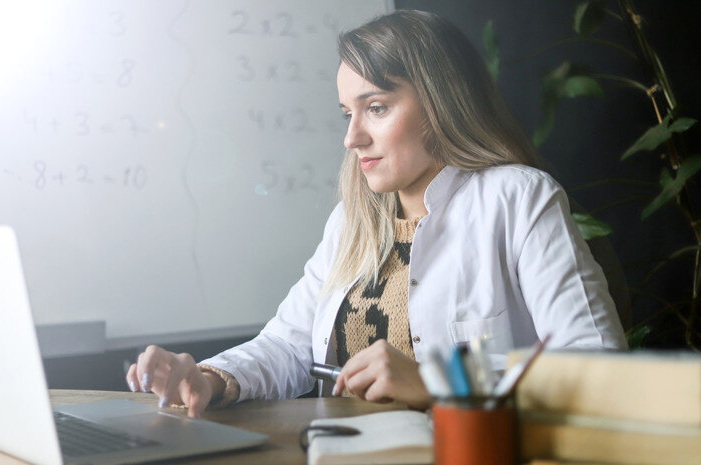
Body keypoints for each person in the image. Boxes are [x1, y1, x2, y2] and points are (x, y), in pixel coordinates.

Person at [125, 10, 627, 418]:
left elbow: (598, 369)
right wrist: (209, 378)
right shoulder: (352, 219)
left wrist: (439, 382)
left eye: (377, 108)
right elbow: (290, 344)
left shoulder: (518, 199)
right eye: (348, 113)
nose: (352, 137)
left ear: (439, 102)